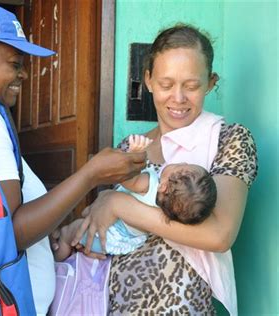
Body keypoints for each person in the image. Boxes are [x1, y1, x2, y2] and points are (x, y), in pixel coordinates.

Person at [0, 1, 147, 314]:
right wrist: (91, 175)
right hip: (4, 304)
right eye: (15, 63)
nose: (24, 73)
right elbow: (10, 233)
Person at [54, 23, 258, 314]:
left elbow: (219, 235)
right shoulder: (131, 146)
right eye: (166, 84)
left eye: (192, 86)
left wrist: (118, 203)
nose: (178, 98)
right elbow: (106, 226)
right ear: (148, 80)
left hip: (179, 304)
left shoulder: (229, 138)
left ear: (211, 83)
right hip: (113, 301)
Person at [54, 134, 217, 260]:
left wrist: (133, 155)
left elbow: (126, 178)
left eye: (181, 167)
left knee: (70, 233)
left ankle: (56, 259)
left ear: (163, 186)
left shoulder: (149, 184)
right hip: (121, 244)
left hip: (104, 234)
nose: (185, 163)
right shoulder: (166, 210)